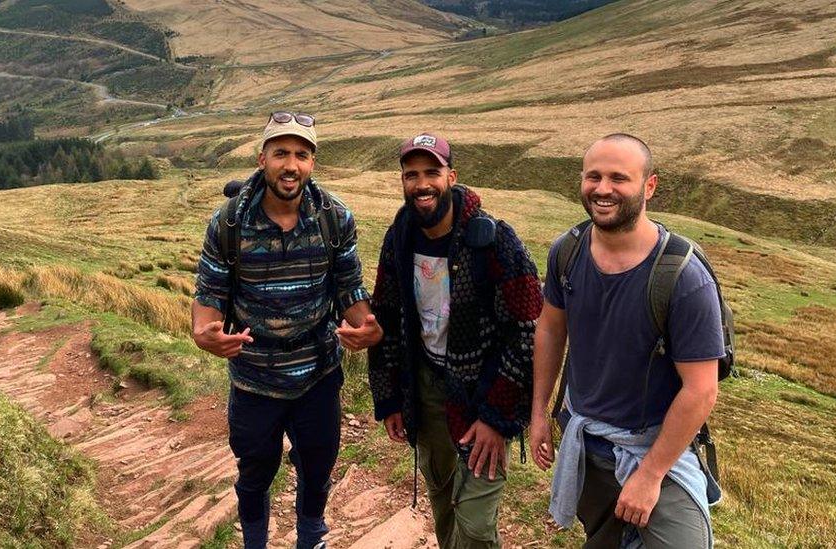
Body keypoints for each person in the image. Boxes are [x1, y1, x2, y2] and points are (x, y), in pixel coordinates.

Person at [192, 112, 383, 549]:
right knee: (255, 470)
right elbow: (208, 299)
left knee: (317, 467)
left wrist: (367, 329)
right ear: (262, 159)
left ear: (312, 163)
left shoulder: (334, 218)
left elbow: (350, 287)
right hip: (254, 376)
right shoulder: (229, 224)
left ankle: (311, 536)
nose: (291, 165)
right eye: (281, 153)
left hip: (317, 373)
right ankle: (255, 541)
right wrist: (205, 334)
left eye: (301, 154)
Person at [529, 134, 723, 548]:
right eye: (593, 176)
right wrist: (540, 413)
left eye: (619, 178)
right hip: (587, 444)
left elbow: (702, 389)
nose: (603, 189)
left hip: (659, 452)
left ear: (649, 186)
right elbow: (550, 329)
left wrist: (650, 475)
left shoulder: (683, 277)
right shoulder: (567, 252)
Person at [368, 133, 542, 548]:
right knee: (442, 500)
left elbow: (527, 331)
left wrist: (497, 418)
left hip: (483, 391)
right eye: (411, 175)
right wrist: (389, 399)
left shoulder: (494, 240)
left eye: (432, 172)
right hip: (426, 390)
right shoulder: (399, 239)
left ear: (452, 176)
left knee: (477, 524)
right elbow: (387, 319)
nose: (422, 184)